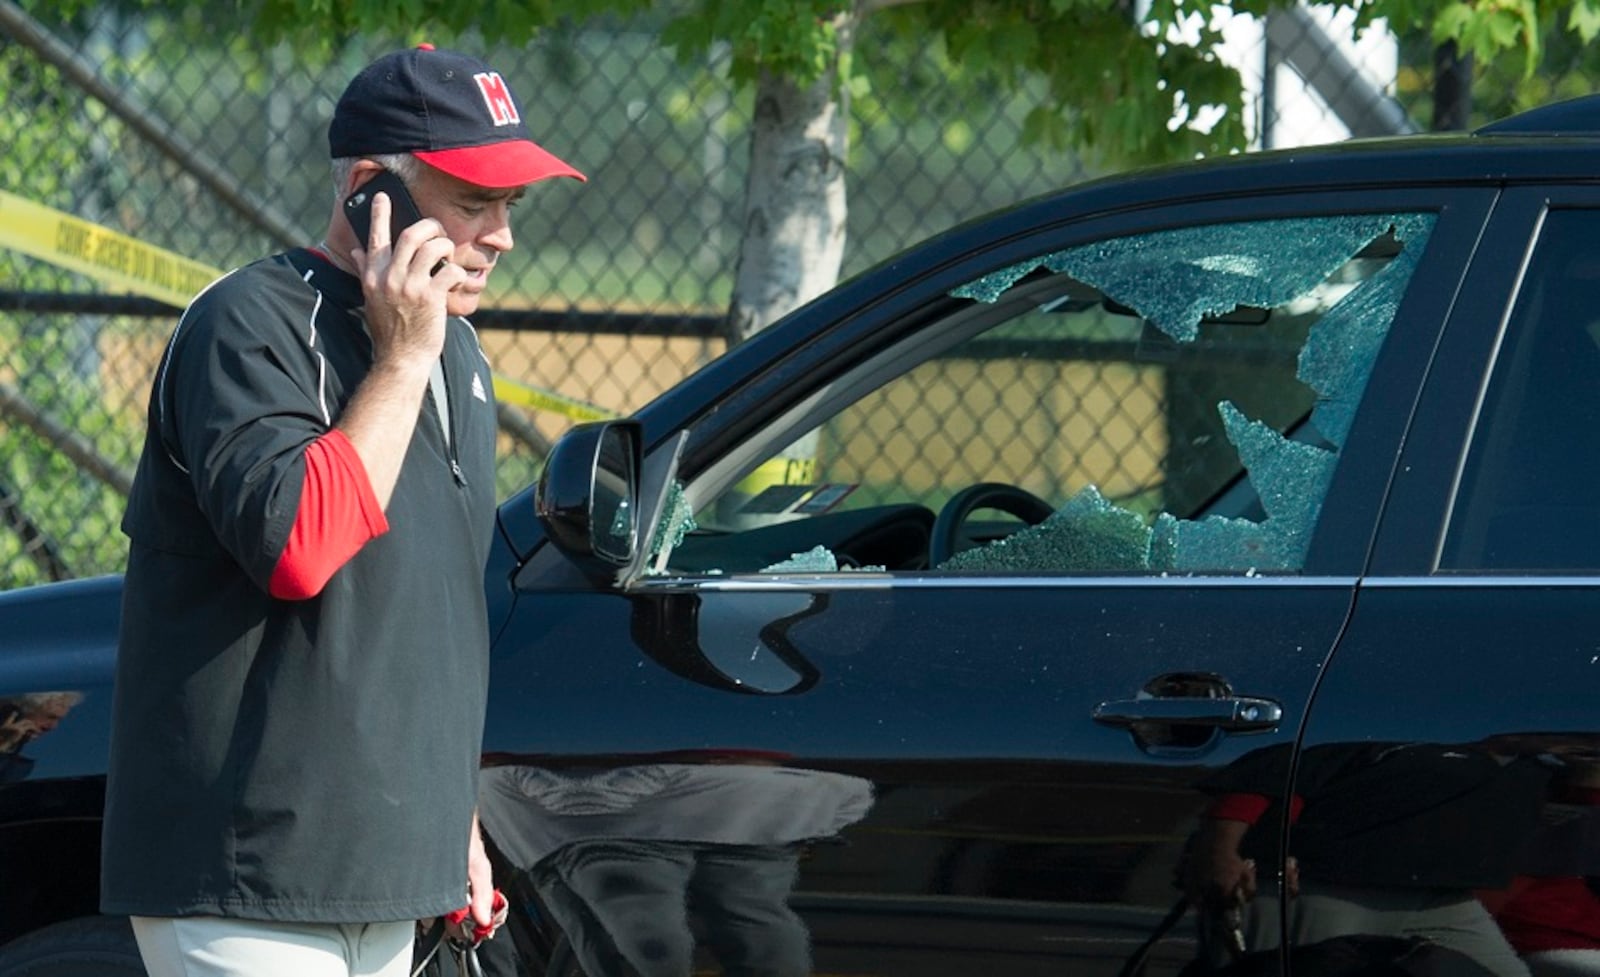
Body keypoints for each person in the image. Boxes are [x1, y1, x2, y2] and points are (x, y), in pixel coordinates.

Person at [99, 44, 584, 977]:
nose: (501, 237)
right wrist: (400, 359)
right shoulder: (249, 323)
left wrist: (452, 827)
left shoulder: (459, 358)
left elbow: (424, 619)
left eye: (509, 207)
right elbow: (299, 548)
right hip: (247, 877)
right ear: (371, 190)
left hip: (390, 879)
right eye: (473, 202)